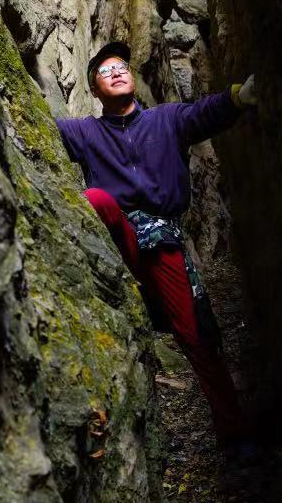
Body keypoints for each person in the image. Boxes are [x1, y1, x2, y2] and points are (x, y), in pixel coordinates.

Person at [55, 41, 257, 449]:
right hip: (119, 241)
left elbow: (203, 113)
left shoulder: (166, 120)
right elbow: (44, 126)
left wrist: (239, 96)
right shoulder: (86, 132)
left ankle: (235, 435)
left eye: (121, 66)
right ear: (94, 90)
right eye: (105, 70)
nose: (116, 71)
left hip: (162, 241)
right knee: (96, 200)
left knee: (196, 336)